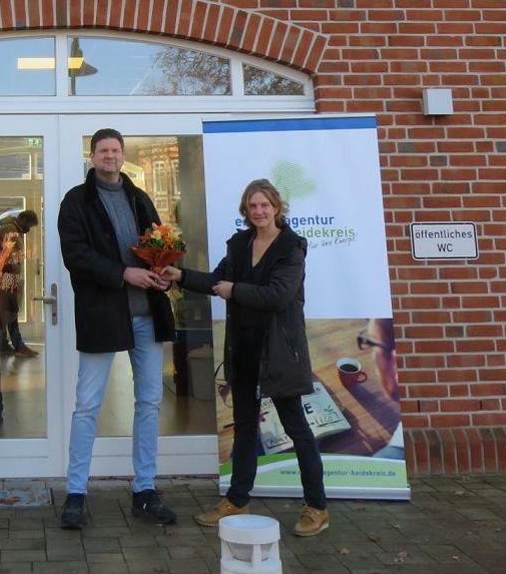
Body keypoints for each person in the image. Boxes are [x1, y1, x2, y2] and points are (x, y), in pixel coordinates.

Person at [161, 178, 329, 537]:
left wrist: (234, 290)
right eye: (253, 206)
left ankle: (317, 507)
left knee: (297, 429)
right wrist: (180, 275)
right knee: (245, 428)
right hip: (244, 350)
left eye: (265, 205)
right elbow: (216, 280)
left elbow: (278, 295)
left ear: (277, 207)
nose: (259, 211)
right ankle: (237, 500)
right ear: (246, 210)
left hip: (279, 353)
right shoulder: (240, 244)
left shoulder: (291, 247)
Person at [56, 128, 178, 529]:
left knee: (149, 402)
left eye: (115, 150)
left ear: (122, 155)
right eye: (103, 150)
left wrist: (162, 273)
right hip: (103, 315)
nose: (110, 156)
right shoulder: (76, 201)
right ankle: (76, 492)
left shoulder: (140, 198)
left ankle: (145, 489)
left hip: (147, 315)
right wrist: (123, 273)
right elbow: (76, 255)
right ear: (92, 157)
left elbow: (159, 246)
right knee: (87, 405)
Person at [0, 210, 40, 357]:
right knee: (10, 311)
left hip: (7, 277)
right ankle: (17, 345)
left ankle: (4, 344)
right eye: (29, 225)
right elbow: (6, 256)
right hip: (7, 278)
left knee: (6, 312)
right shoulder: (10, 230)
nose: (29, 229)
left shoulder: (11, 229)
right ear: (23, 220)